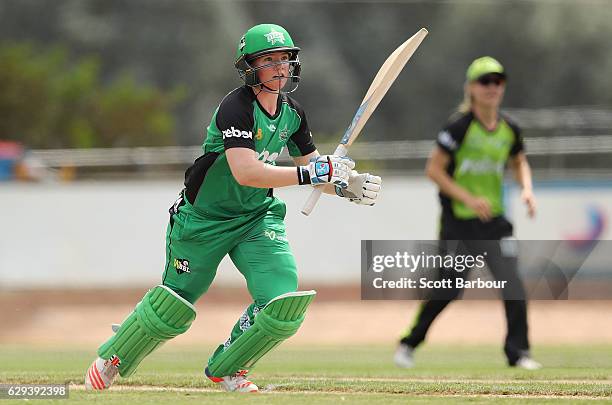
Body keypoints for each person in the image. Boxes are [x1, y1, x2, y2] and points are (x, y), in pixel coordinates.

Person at [84, 23, 382, 393]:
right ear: (249, 67)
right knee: (173, 306)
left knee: (282, 304)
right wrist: (314, 172)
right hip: (203, 219)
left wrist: (346, 185)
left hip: (256, 218)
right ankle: (113, 357)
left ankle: (228, 367)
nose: (279, 67)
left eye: (285, 59)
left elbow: (316, 172)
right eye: (268, 60)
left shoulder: (293, 113)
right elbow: (247, 172)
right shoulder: (235, 108)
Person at [393, 56, 541, 370]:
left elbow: (519, 161)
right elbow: (433, 170)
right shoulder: (459, 127)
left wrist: (526, 189)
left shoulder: (510, 129)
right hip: (459, 224)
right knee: (447, 290)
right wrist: (469, 198)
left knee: (512, 285)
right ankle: (409, 343)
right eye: (484, 81)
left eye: (497, 81)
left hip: (495, 224)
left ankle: (519, 354)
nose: (492, 88)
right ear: (471, 88)